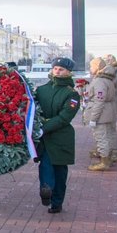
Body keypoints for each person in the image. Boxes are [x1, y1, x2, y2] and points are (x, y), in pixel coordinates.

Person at [35, 57, 80, 213]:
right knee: (46, 164)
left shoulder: (72, 95)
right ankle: (46, 188)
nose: (57, 71)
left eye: (61, 69)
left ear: (69, 72)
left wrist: (44, 127)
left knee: (60, 171)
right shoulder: (41, 90)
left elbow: (64, 117)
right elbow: (33, 109)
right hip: (45, 138)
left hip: (61, 137)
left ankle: (57, 202)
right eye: (55, 68)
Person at [83, 57, 117, 171]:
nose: (90, 68)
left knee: (101, 137)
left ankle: (104, 162)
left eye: (91, 66)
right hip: (108, 112)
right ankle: (108, 158)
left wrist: (93, 118)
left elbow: (99, 100)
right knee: (107, 136)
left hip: (101, 115)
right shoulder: (107, 79)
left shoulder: (99, 81)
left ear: (97, 67)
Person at [104, 54, 117, 163]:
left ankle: (113, 151)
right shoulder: (115, 72)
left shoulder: (111, 74)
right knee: (110, 128)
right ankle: (111, 150)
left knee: (109, 129)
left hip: (110, 103)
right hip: (113, 102)